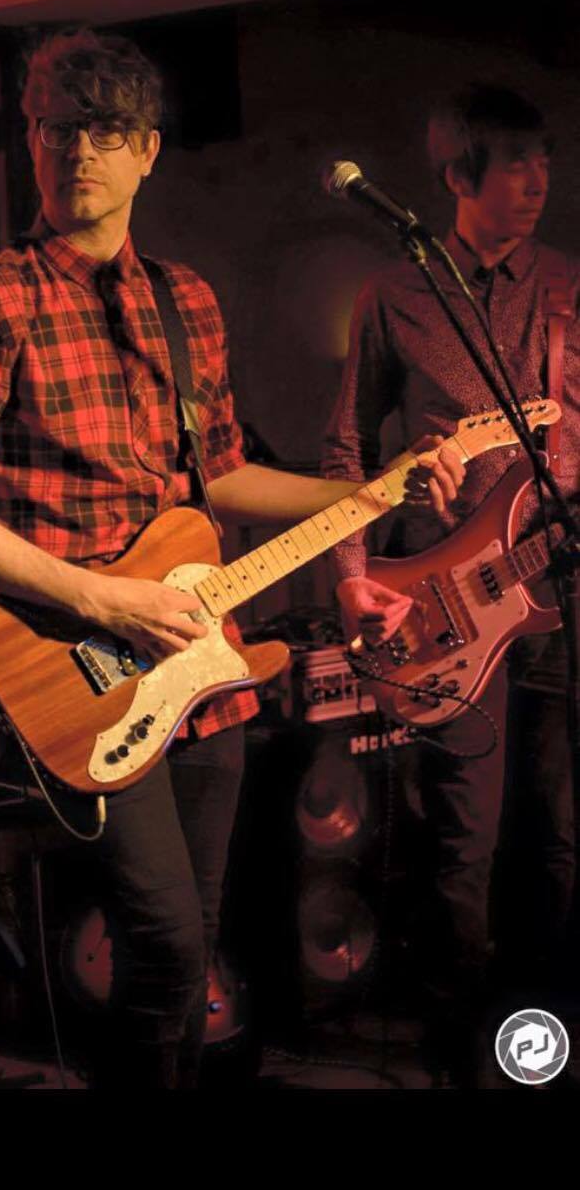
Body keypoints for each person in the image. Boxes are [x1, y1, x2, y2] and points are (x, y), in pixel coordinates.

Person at [0, 27, 461, 1090]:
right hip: (75, 664)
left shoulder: (183, 300)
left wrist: (372, 491)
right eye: (59, 128)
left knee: (193, 951)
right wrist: (105, 597)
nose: (78, 153)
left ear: (147, 149)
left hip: (199, 668)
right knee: (157, 939)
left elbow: (219, 478)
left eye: (105, 131)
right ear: (31, 137)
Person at [322, 82, 579, 1086]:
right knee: (460, 845)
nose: (538, 179)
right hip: (448, 606)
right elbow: (345, 442)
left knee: (559, 834)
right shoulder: (396, 294)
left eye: (545, 158)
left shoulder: (568, 286)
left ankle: (542, 1049)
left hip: (557, 589)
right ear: (457, 176)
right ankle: (457, 1057)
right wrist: (351, 574)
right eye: (514, 160)